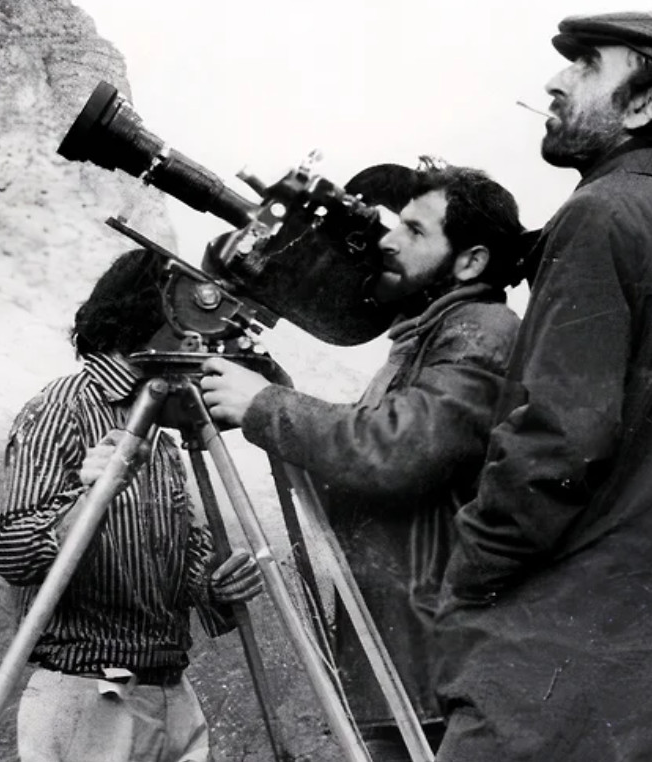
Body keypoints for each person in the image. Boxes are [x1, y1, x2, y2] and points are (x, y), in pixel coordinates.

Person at [433, 12, 652, 762]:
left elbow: (553, 443)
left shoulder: (601, 218)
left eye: (586, 64)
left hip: (548, 676)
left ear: (647, 103)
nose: (555, 81)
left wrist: (469, 575)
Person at [198, 164, 524, 760]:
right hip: (405, 660)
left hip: (433, 663)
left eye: (415, 231)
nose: (389, 240)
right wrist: (271, 397)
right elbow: (361, 474)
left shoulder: (482, 330)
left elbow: (395, 451)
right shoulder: (429, 337)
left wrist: (267, 406)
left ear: (471, 261)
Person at [0, 248, 265, 762]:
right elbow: (15, 555)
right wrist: (92, 497)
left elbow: (181, 563)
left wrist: (215, 585)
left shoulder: (160, 427)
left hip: (171, 694)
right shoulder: (62, 407)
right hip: (90, 694)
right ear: (155, 313)